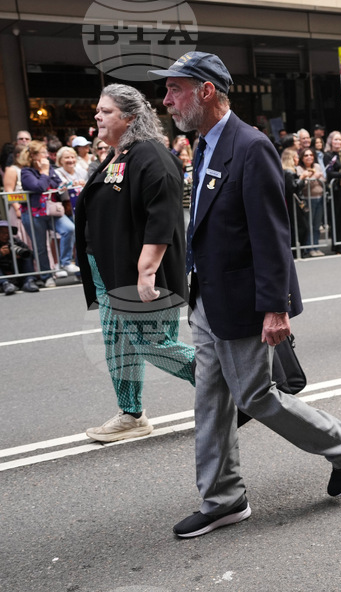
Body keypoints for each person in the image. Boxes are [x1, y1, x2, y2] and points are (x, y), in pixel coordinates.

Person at [151, 51, 341, 538]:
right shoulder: (205, 146)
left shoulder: (249, 147)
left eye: (175, 90)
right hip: (208, 299)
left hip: (243, 301)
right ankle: (223, 498)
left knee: (254, 394)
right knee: (210, 401)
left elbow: (271, 235)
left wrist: (276, 307)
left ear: (206, 91)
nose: (166, 100)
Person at [71, 84, 197, 442]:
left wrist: (147, 270)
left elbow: (163, 217)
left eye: (106, 111)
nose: (98, 115)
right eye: (98, 110)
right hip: (107, 269)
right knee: (119, 343)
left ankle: (228, 384)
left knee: (152, 341)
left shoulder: (151, 156)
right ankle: (131, 414)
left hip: (141, 271)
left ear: (130, 117)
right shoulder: (115, 155)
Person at [20, 140, 79, 279]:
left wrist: (63, 185)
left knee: (69, 229)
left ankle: (65, 262)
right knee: (40, 246)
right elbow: (38, 187)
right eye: (43, 153)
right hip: (34, 213)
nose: (46, 155)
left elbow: (56, 183)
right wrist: (44, 172)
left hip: (52, 209)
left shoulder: (50, 168)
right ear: (33, 155)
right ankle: (46, 276)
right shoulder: (26, 172)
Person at [297, 147, 326, 257]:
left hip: (319, 197)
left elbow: (324, 179)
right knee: (309, 224)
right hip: (308, 198)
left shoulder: (317, 166)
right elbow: (302, 185)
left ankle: (316, 246)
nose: (309, 157)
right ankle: (309, 247)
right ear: (302, 158)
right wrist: (313, 177)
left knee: (317, 225)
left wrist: (319, 177)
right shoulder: (300, 169)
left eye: (311, 155)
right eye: (306, 155)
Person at [0, 219, 38, 294]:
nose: (6, 235)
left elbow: (30, 253)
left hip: (17, 272)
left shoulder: (16, 242)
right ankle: (5, 284)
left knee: (27, 256)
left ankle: (29, 281)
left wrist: (20, 255)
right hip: (3, 274)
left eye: (8, 232)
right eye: (3, 232)